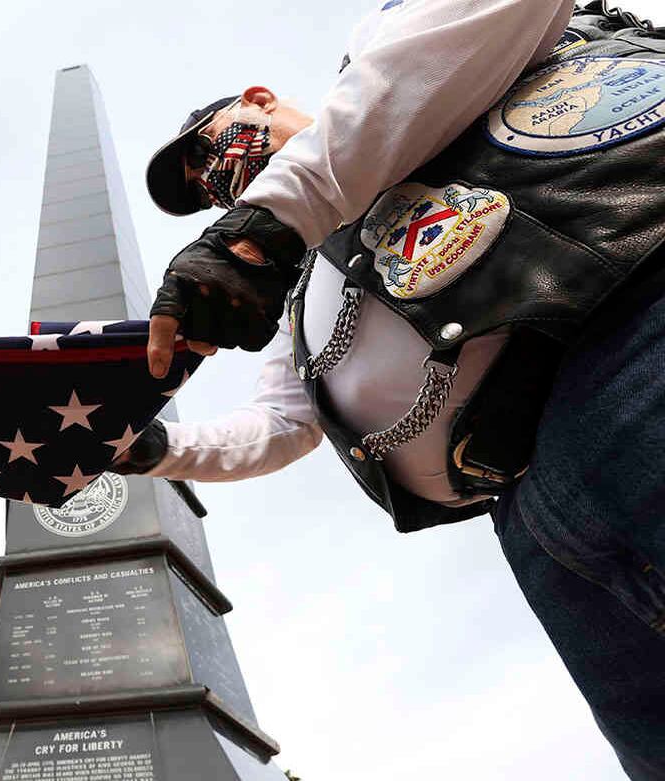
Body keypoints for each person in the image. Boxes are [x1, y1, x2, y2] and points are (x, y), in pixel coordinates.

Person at [119, 1, 665, 777]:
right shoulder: (302, 291)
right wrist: (157, 448)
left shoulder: (390, 56)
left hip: (634, 337)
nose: (216, 178)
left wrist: (268, 221)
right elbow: (280, 423)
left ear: (258, 99)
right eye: (205, 187)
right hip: (532, 512)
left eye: (208, 149)